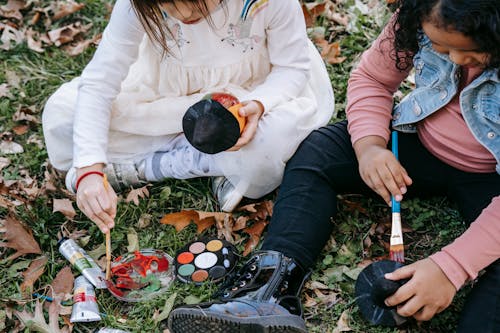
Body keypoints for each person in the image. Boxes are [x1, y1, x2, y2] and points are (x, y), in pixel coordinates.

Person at [167, 0, 500, 332]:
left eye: (473, 55)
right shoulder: (420, 16)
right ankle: (266, 290)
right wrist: (369, 147)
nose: (456, 61)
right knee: (318, 153)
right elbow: (373, 79)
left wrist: (451, 268)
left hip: (490, 177)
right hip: (418, 141)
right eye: (441, 49)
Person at [42, 0, 334, 232]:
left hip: (245, 100)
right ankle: (211, 163)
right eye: (168, 5)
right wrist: (90, 169)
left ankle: (155, 165)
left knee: (271, 143)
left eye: (195, 4)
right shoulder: (135, 6)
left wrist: (260, 103)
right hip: (167, 101)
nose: (183, 14)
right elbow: (100, 83)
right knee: (63, 115)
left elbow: (292, 69)